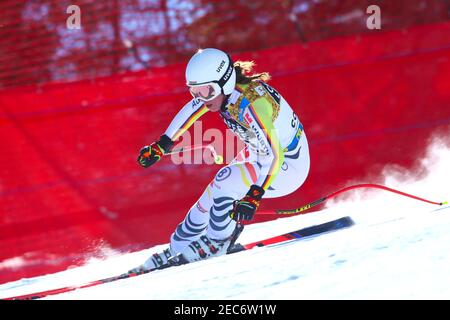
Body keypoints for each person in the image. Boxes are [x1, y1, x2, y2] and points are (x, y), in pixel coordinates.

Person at [135, 48, 310, 270]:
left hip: (287, 165)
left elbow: (275, 155)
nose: (200, 98)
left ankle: (218, 242)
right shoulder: (223, 92)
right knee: (215, 190)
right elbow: (192, 109)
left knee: (226, 180)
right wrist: (163, 144)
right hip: (261, 152)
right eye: (194, 91)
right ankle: (180, 245)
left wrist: (254, 194)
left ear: (225, 82)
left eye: (205, 91)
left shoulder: (253, 104)